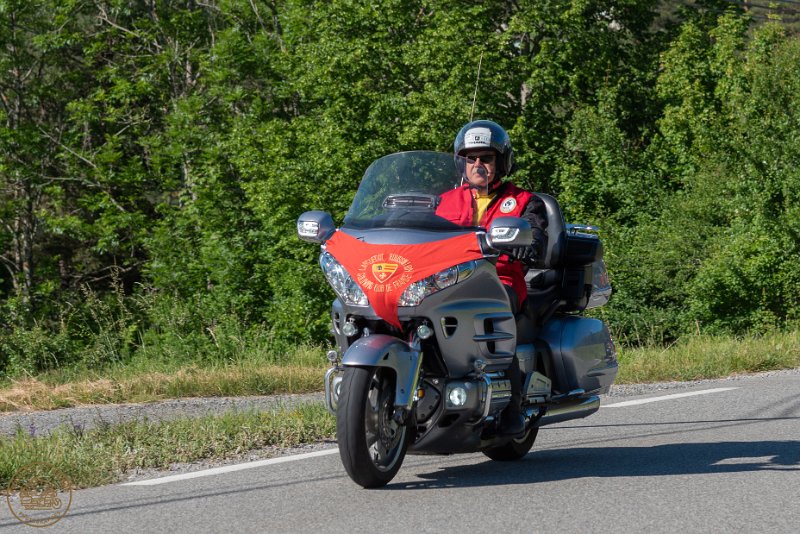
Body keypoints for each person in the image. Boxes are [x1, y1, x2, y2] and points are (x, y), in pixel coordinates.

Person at [436, 119, 548, 436]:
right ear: (461, 162)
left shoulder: (524, 202)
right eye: (470, 158)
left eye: (485, 158)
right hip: (446, 281)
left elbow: (536, 237)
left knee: (491, 311)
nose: (477, 165)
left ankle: (512, 407)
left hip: (499, 281)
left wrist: (527, 243)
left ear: (501, 162)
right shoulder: (443, 201)